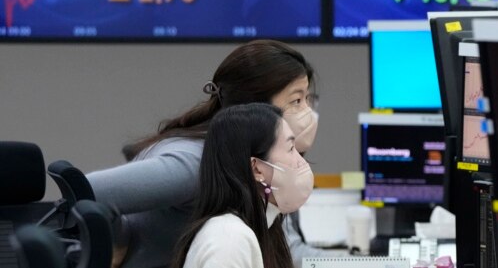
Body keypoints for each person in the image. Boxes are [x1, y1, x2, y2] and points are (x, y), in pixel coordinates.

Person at [86, 40, 330, 268]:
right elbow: (87, 190)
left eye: (307, 99)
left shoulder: (257, 164)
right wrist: (119, 241)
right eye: (297, 101)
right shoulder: (197, 166)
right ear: (254, 107)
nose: (307, 113)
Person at [171, 102, 313, 268]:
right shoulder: (229, 239)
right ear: (256, 168)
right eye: (290, 148)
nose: (300, 161)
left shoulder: (262, 228)